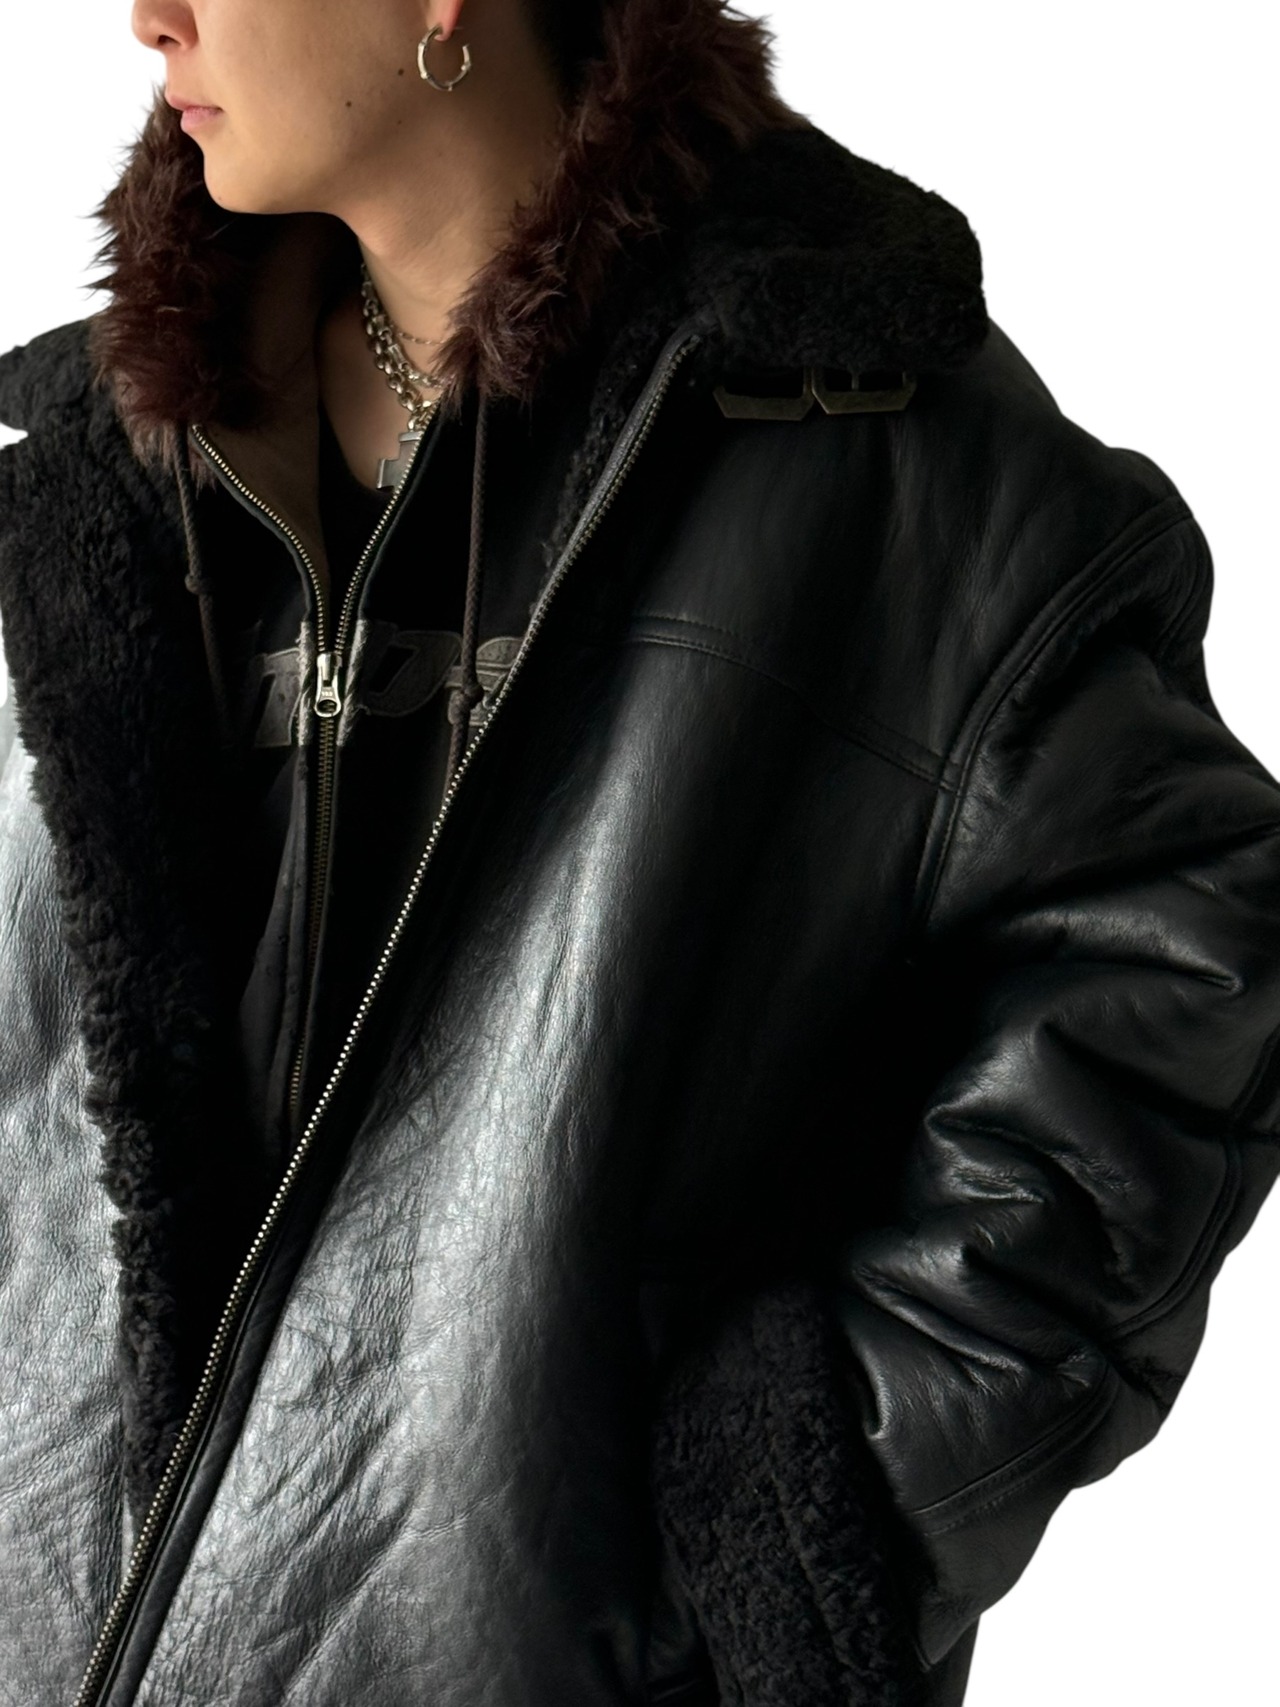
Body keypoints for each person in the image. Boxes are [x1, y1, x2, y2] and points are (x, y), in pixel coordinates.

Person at [0, 0, 1276, 1702]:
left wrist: (802, 1504)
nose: (145, 15)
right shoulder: (116, 463)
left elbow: (1187, 959)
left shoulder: (864, 431)